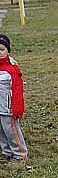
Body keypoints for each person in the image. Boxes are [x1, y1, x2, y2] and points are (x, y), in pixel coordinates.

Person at [0, 33, 27, 161]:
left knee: (11, 132)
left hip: (8, 109)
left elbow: (17, 91)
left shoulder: (12, 69)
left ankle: (20, 154)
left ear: (7, 50)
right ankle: (6, 152)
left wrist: (17, 109)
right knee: (1, 132)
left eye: (2, 49)